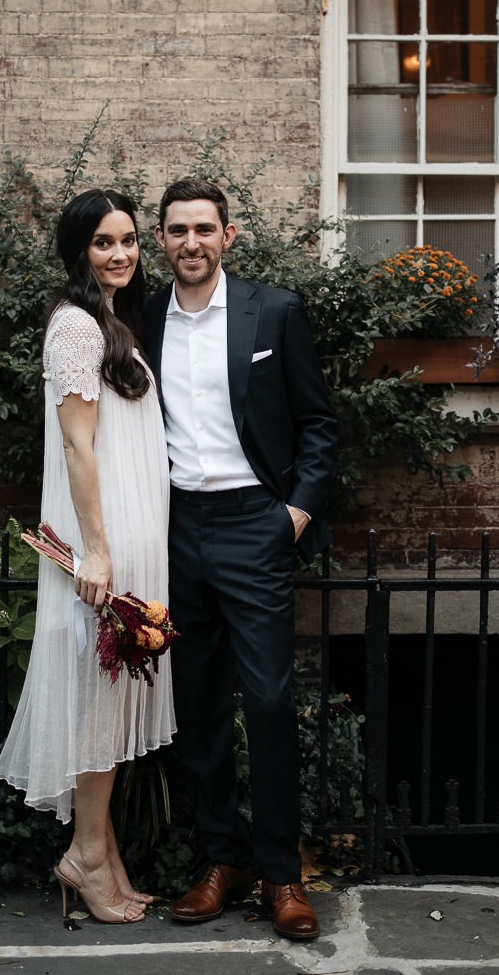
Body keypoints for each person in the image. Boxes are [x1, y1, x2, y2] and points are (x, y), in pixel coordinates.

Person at [141, 177, 338, 942]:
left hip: (255, 523)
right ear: (162, 239)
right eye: (177, 230)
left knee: (269, 702)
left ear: (228, 235)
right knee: (197, 704)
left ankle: (282, 874)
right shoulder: (144, 316)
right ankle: (218, 862)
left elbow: (317, 421)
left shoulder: (274, 311)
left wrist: (294, 514)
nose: (190, 242)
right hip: (177, 527)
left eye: (203, 229)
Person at [0, 188, 176, 924]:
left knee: (115, 694)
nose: (121, 253)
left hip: (133, 529)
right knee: (103, 695)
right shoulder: (75, 326)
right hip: (104, 537)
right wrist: (97, 552)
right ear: (79, 251)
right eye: (104, 242)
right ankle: (86, 858)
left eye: (128, 240)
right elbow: (78, 445)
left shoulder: (112, 319)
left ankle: (103, 852)